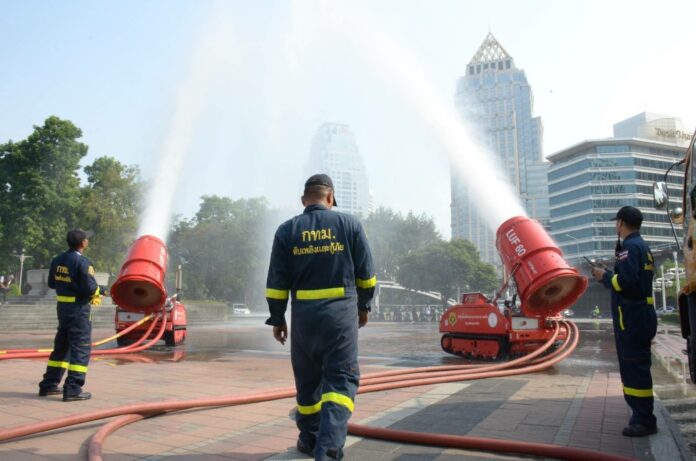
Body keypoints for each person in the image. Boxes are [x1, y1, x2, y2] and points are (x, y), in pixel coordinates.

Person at [265, 174, 375, 461]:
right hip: (339, 319)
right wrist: (364, 307)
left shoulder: (286, 230)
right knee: (340, 383)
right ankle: (326, 451)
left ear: (304, 200)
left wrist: (277, 318)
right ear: (330, 198)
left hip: (303, 321)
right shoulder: (349, 225)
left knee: (308, 382)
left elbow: (276, 282)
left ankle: (309, 438)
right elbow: (367, 275)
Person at [592, 206, 657, 437]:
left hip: (631, 318)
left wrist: (604, 277)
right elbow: (637, 278)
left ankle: (643, 420)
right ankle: (642, 415)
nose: (615, 226)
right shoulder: (642, 246)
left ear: (621, 223)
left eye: (616, 222)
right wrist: (612, 274)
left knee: (634, 368)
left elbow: (626, 283)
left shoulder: (628, 247)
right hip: (640, 315)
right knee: (637, 366)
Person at [38, 229, 101, 401]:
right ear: (83, 243)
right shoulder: (82, 262)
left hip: (63, 308)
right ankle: (73, 389)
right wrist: (99, 291)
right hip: (78, 310)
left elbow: (52, 283)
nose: (88, 241)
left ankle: (49, 384)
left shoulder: (57, 259)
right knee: (80, 348)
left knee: (61, 347)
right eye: (87, 239)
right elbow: (89, 288)